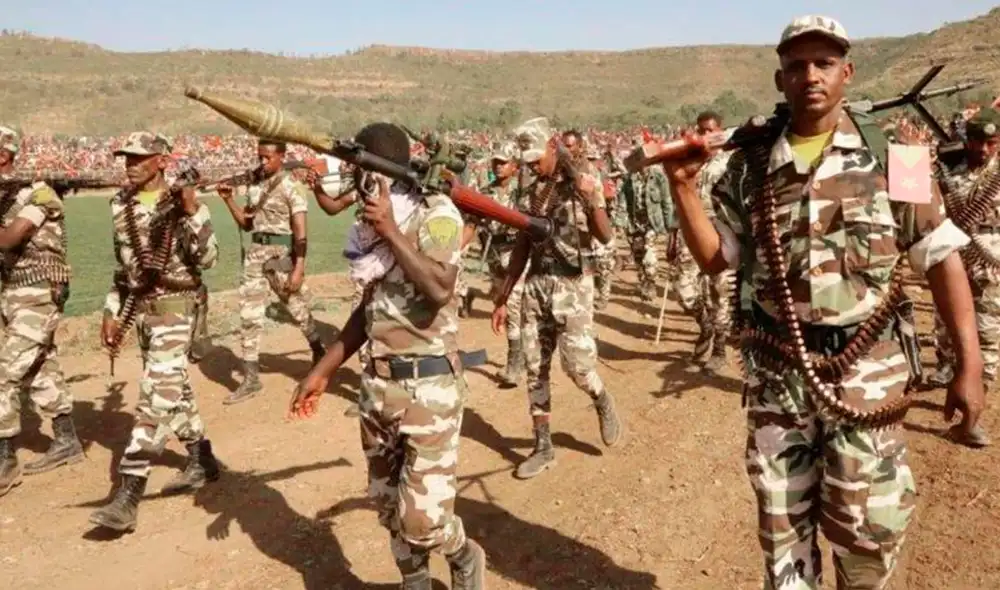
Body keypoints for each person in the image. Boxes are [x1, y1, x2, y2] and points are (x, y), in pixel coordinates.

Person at [663, 16, 986, 588]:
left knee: (870, 533)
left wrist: (970, 365)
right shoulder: (748, 164)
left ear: (847, 72)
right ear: (780, 78)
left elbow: (939, 256)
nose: (810, 75)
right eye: (796, 66)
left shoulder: (896, 157)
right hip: (779, 377)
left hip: (868, 373)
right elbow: (718, 259)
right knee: (782, 533)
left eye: (824, 63)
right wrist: (684, 188)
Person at [289, 122, 485, 589]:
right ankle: (415, 583)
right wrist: (322, 370)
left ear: (385, 175)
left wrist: (392, 231)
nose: (355, 184)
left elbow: (439, 287)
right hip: (377, 389)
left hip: (428, 390)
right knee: (386, 506)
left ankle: (462, 553)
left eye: (362, 172)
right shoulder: (370, 228)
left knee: (423, 521)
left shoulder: (435, 215)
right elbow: (368, 309)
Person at [90, 132, 222, 531]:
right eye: (126, 157)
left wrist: (192, 211)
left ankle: (129, 493)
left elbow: (209, 259)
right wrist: (111, 310)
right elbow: (124, 268)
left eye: (139, 158)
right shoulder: (120, 205)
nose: (129, 164)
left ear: (162, 161)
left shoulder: (184, 204)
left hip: (177, 310)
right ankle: (202, 458)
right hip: (142, 311)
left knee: (153, 397)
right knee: (174, 389)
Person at [492, 126, 623, 480]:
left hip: (572, 285)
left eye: (535, 160)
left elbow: (605, 234)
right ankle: (543, 445)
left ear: (551, 147)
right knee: (535, 369)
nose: (531, 167)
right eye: (526, 162)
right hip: (536, 283)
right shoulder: (530, 191)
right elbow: (521, 244)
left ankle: (601, 399)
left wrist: (593, 198)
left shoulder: (581, 179)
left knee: (578, 368)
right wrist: (504, 296)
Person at [0, 125, 84, 497]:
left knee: (4, 373)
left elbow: (10, 239)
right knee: (39, 367)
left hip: (38, 294)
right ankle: (67, 440)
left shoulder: (37, 194)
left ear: (4, 155)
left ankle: (5, 460)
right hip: (16, 295)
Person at [217, 138, 325, 405]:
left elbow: (300, 231)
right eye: (260, 157)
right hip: (255, 256)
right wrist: (229, 201)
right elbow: (246, 223)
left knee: (296, 308)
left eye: (268, 157)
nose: (263, 162)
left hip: (281, 257)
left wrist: (299, 267)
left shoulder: (292, 187)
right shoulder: (255, 186)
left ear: (281, 157)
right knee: (249, 315)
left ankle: (319, 352)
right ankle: (251, 378)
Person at [928, 107, 1000, 418]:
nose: (983, 149)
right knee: (946, 317)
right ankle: (946, 365)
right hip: (953, 247)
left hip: (990, 252)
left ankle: (980, 385)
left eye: (992, 143)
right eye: (976, 142)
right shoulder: (946, 167)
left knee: (987, 323)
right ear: (966, 140)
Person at [482, 143, 536, 387]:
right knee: (502, 304)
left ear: (515, 167)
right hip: (495, 255)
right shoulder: (485, 192)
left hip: (517, 253)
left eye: (503, 162)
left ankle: (514, 363)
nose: (498, 166)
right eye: (496, 162)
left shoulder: (522, 192)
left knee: (512, 307)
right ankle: (522, 353)